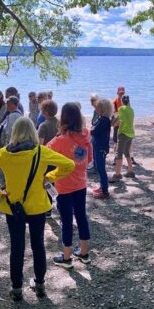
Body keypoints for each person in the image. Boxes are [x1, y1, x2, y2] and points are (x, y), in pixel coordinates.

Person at [0, 117, 74, 301]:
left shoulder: (4, 154)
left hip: (13, 206)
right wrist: (49, 177)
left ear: (14, 132)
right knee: (38, 245)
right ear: (33, 132)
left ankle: (16, 289)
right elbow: (69, 165)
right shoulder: (41, 152)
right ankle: (40, 285)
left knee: (17, 247)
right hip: (37, 206)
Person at [47, 103, 93, 268]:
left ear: (63, 118)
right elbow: (89, 160)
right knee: (81, 216)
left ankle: (66, 257)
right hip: (81, 183)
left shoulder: (60, 140)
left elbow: (46, 152)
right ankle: (84, 252)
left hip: (64, 186)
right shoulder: (86, 135)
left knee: (66, 221)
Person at [109, 95, 135, 182]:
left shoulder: (121, 109)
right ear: (129, 101)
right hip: (131, 133)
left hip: (123, 133)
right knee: (126, 151)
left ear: (122, 101)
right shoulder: (131, 110)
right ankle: (130, 171)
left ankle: (117, 174)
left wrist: (112, 121)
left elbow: (117, 120)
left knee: (119, 154)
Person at [91, 99, 112, 199]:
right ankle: (102, 186)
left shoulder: (103, 120)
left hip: (101, 148)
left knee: (101, 169)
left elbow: (94, 131)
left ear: (103, 108)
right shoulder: (103, 119)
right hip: (98, 146)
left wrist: (90, 129)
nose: (96, 109)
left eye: (98, 107)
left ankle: (105, 191)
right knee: (100, 169)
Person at [111, 86, 125, 151]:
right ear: (117, 93)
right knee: (116, 142)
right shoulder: (115, 102)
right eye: (120, 93)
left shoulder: (125, 102)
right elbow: (114, 113)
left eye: (122, 93)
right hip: (117, 124)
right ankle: (115, 158)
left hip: (124, 124)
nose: (121, 94)